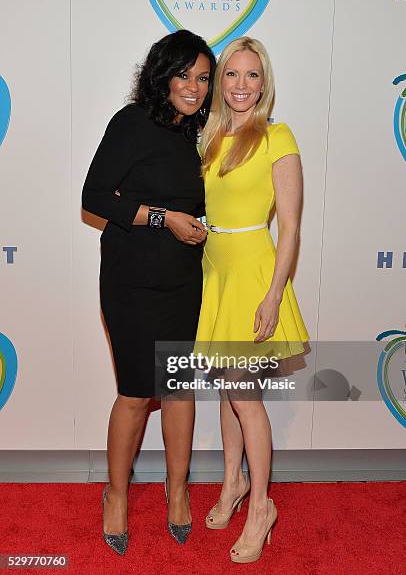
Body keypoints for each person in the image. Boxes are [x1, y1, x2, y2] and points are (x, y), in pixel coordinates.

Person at [82, 30, 216, 554]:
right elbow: (94, 197)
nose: (195, 87)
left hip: (184, 280)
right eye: (184, 75)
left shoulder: (198, 133)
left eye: (204, 77)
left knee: (179, 389)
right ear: (161, 76)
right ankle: (116, 495)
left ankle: (177, 491)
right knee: (138, 392)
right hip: (132, 280)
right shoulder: (132, 122)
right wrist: (164, 219)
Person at [196, 36, 309, 563]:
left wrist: (273, 293)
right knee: (227, 392)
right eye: (232, 75)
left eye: (253, 75)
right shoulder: (212, 137)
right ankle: (231, 484)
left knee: (244, 397)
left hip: (253, 274)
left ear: (265, 84)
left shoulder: (278, 137)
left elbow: (289, 229)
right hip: (215, 272)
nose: (242, 86)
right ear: (221, 83)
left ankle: (262, 505)